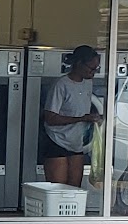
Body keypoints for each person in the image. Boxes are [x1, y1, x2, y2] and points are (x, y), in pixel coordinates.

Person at [40, 45, 103, 188]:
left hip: (76, 142)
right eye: (91, 68)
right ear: (79, 63)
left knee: (74, 188)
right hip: (56, 140)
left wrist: (95, 118)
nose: (93, 73)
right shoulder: (61, 85)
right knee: (58, 189)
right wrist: (81, 119)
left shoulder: (88, 83)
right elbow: (50, 118)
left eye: (96, 69)